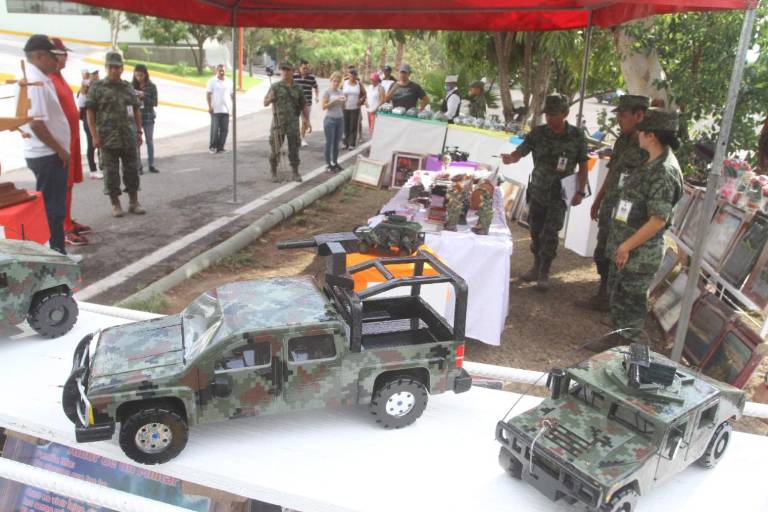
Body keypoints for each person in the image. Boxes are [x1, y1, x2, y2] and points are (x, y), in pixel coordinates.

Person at [587, 109, 683, 351]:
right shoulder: (649, 161)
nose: (637, 135)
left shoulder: (663, 171)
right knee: (618, 299)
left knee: (632, 307)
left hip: (638, 253)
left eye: (641, 131)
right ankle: (615, 339)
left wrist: (626, 246)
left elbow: (658, 220)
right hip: (626, 248)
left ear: (651, 135)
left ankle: (630, 352)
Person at [501, 94, 589, 291]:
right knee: (535, 230)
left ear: (565, 113)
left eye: (553, 114)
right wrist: (511, 158)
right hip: (538, 191)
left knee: (550, 232)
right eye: (547, 114)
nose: (549, 118)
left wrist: (580, 191)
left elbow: (583, 165)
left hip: (559, 194)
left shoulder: (576, 136)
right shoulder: (538, 133)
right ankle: (536, 265)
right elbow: (522, 150)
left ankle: (544, 272)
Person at [576, 95, 649, 312]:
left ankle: (616, 303)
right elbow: (613, 173)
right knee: (602, 251)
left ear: (639, 115)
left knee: (621, 255)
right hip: (611, 205)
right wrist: (598, 200)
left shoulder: (648, 145)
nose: (619, 120)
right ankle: (603, 294)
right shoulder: (622, 140)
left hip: (630, 212)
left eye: (623, 115)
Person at [18, 34, 70, 254]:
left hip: (48, 153)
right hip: (47, 154)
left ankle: (57, 251)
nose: (56, 60)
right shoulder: (35, 81)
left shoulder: (39, 77)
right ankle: (56, 254)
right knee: (53, 208)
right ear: (39, 56)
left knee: (54, 206)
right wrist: (60, 150)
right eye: (52, 56)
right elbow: (36, 123)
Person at [86, 51, 146, 217]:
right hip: (107, 139)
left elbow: (135, 110)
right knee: (110, 173)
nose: (114, 70)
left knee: (132, 170)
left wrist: (139, 131)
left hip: (128, 136)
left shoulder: (127, 87)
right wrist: (94, 135)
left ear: (122, 69)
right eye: (111, 67)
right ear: (106, 68)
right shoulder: (97, 88)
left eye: (117, 67)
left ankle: (134, 202)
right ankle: (115, 204)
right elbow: (90, 112)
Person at [49, 37, 91, 247]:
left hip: (71, 140)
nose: (66, 58)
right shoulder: (49, 80)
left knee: (69, 184)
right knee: (62, 186)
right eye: (62, 54)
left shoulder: (59, 77)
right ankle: (64, 227)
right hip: (61, 143)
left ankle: (67, 219)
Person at [264, 62, 306, 182]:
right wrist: (270, 99)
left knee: (294, 148)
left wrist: (306, 120)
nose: (285, 72)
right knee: (275, 148)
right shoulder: (275, 87)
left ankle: (295, 172)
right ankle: (274, 172)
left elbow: (303, 105)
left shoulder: (298, 88)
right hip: (278, 123)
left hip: (293, 123)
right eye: (283, 70)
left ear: (293, 72)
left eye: (288, 70)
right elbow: (265, 102)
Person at [132, 64, 159, 174]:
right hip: (135, 118)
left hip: (148, 117)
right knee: (136, 142)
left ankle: (151, 164)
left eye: (141, 75)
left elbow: (155, 102)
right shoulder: (132, 86)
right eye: (137, 75)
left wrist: (144, 96)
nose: (139, 78)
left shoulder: (151, 86)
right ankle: (138, 166)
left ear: (145, 75)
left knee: (149, 141)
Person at [77, 66, 102, 179]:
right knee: (91, 144)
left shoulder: (101, 86)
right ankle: (93, 170)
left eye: (96, 73)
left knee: (101, 144)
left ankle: (102, 166)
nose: (95, 76)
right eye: (93, 74)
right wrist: (84, 87)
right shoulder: (85, 89)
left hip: (100, 120)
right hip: (89, 120)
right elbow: (81, 104)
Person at [322, 71, 345, 173]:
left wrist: (344, 101)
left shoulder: (341, 92)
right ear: (331, 81)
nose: (336, 83)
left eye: (338, 81)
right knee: (329, 142)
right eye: (334, 81)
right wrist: (334, 101)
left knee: (337, 143)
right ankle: (328, 164)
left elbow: (342, 106)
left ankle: (335, 162)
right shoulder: (327, 92)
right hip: (330, 119)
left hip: (340, 119)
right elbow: (324, 106)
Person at [206, 64, 232, 154]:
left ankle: (221, 147)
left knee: (224, 130)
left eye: (223, 70)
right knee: (215, 129)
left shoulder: (229, 81)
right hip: (215, 109)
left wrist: (232, 108)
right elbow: (208, 94)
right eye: (220, 70)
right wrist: (210, 106)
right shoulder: (212, 81)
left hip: (226, 109)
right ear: (217, 71)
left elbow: (232, 95)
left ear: (225, 71)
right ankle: (212, 147)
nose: (221, 71)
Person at [293, 59, 319, 147]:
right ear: (299, 67)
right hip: (295, 104)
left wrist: (317, 96)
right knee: (294, 122)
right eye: (304, 68)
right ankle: (295, 138)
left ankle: (302, 138)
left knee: (305, 121)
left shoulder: (311, 77)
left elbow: (316, 87)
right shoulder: (294, 76)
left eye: (307, 68)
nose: (306, 70)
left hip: (307, 103)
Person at [342, 68, 365, 149]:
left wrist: (361, 100)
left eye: (354, 74)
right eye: (351, 74)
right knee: (345, 126)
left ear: (356, 76)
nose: (352, 76)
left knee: (353, 126)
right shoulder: (344, 83)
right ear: (348, 75)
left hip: (355, 108)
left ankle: (352, 144)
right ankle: (345, 143)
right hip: (345, 107)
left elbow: (364, 94)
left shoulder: (359, 83)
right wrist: (342, 99)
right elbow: (339, 91)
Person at [365, 72, 385, 138]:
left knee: (374, 129)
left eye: (373, 80)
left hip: (375, 112)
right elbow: (367, 97)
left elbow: (382, 100)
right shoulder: (369, 87)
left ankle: (373, 141)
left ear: (377, 80)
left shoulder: (380, 88)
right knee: (370, 127)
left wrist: (376, 109)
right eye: (371, 79)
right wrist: (365, 102)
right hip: (369, 110)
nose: (371, 81)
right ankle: (371, 140)